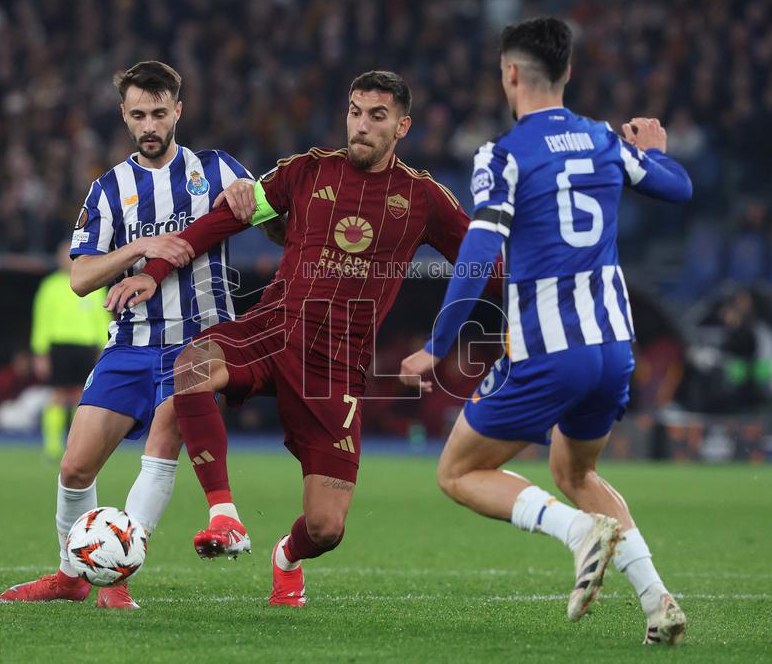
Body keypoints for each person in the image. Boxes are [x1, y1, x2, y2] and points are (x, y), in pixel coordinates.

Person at [106, 70, 499, 605]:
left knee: (326, 528)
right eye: (355, 112)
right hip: (274, 328)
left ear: (402, 126)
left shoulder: (423, 197)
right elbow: (226, 219)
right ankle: (225, 515)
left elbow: (485, 266)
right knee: (191, 365)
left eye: (377, 116)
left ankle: (285, 556)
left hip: (336, 368)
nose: (361, 125)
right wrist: (152, 268)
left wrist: (542, 287)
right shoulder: (309, 171)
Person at [397, 18, 692, 645]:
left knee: (456, 472)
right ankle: (658, 602)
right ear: (568, 74)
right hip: (613, 347)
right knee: (576, 472)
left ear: (510, 74)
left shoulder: (502, 156)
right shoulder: (605, 142)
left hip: (548, 350)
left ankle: (574, 532)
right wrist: (652, 151)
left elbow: (478, 254)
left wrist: (436, 346)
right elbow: (679, 187)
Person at [0, 61, 263, 610]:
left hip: (196, 345)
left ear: (178, 111)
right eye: (138, 114)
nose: (150, 124)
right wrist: (140, 248)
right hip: (128, 345)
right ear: (124, 115)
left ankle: (115, 580)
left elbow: (277, 223)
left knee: (160, 449)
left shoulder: (216, 170)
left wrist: (252, 200)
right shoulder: (108, 189)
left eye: (159, 113)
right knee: (75, 467)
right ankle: (73, 576)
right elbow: (79, 278)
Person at [31, 240, 110, 460]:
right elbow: (42, 320)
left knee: (80, 397)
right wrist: (40, 352)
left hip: (85, 345)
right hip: (59, 345)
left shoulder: (94, 284)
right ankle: (52, 446)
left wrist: (104, 348)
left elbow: (101, 319)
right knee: (57, 395)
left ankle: (75, 445)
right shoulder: (50, 286)